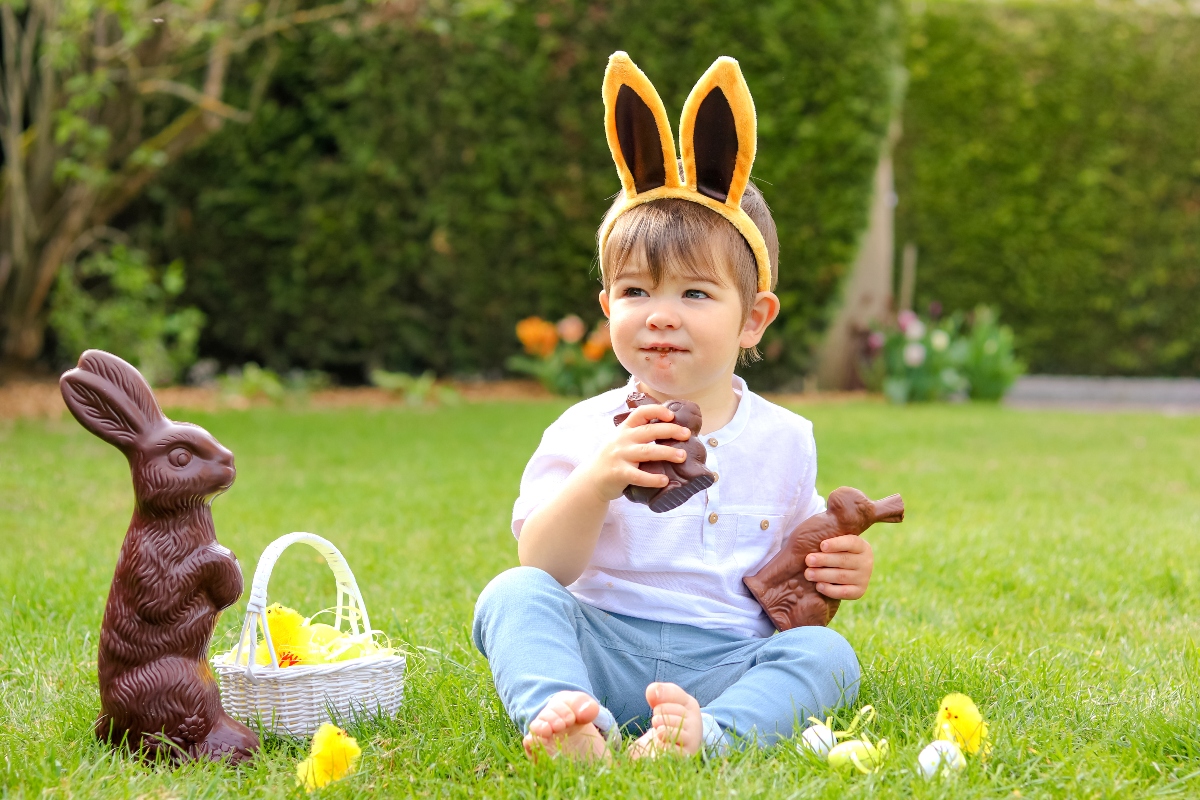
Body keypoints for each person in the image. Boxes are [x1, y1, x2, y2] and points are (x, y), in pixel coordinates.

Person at [472, 52, 874, 761]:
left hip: (724, 661)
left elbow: (791, 568)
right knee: (511, 596)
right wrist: (598, 479)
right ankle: (570, 722)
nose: (660, 315)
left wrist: (839, 570)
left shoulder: (785, 439)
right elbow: (543, 564)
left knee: (825, 657)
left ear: (753, 319)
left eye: (694, 294)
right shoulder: (584, 429)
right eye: (635, 292)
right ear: (606, 307)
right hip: (602, 641)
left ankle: (705, 734)